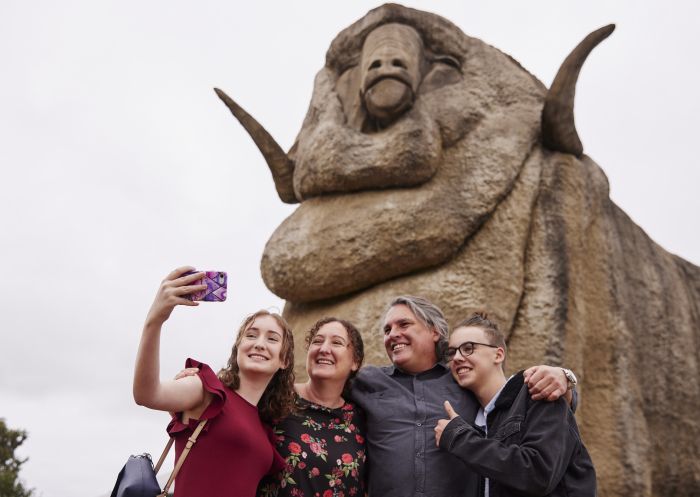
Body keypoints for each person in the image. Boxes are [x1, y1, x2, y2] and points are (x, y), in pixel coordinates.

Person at [350, 296, 577, 497]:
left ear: (434, 332)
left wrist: (565, 380)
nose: (393, 334)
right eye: (387, 330)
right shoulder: (366, 381)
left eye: (404, 324)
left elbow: (514, 398)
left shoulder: (464, 380)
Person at [132, 267, 295, 497]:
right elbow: (147, 394)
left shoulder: (265, 425)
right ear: (238, 348)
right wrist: (155, 321)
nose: (259, 343)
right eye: (251, 335)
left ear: (284, 360)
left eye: (272, 338)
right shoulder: (207, 391)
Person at [434, 312, 596, 497]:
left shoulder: (537, 392)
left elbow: (538, 474)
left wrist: (460, 439)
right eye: (452, 352)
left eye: (469, 348)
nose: (457, 358)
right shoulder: (470, 416)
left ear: (498, 354)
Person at [257, 317, 367, 497]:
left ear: (355, 362)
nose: (324, 349)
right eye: (317, 341)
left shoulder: (362, 418)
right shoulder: (274, 397)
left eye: (337, 343)